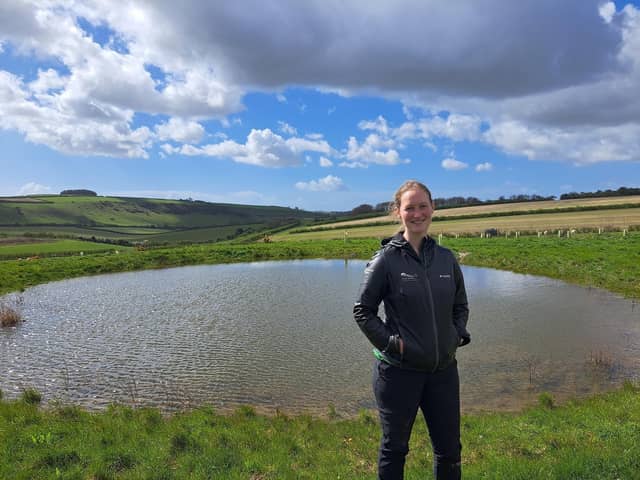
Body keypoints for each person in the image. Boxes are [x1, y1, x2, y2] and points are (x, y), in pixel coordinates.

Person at [353, 180, 470, 480]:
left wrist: (455, 335)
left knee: (449, 451)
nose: (417, 213)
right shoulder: (386, 260)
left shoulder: (446, 258)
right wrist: (394, 345)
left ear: (433, 208)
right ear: (398, 212)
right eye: (409, 208)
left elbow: (461, 305)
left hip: (443, 372)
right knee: (395, 450)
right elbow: (363, 311)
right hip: (398, 374)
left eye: (423, 206)